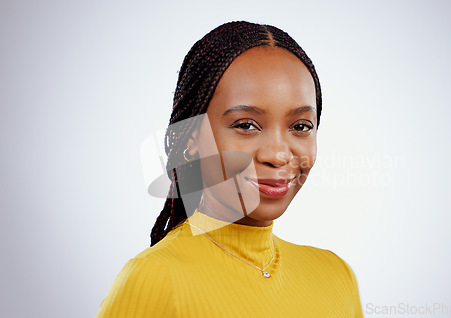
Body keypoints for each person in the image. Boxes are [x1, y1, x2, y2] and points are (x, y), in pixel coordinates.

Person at [96, 21, 363, 317]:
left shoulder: (336, 277)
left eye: (300, 126)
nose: (277, 155)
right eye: (246, 125)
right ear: (192, 139)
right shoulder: (155, 279)